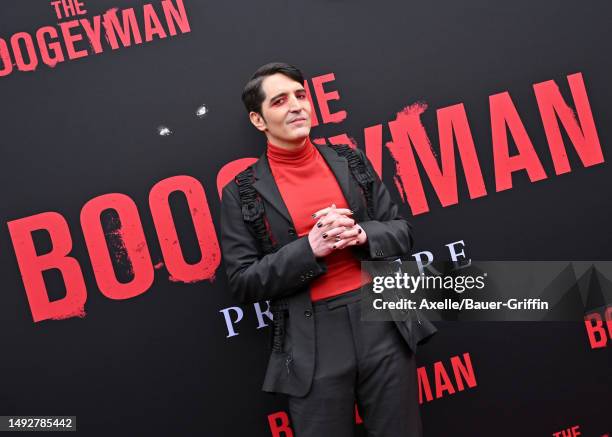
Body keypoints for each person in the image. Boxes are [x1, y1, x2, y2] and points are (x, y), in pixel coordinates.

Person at [220, 62, 436, 437]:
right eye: (280, 100)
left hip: (382, 322)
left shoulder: (351, 161)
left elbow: (402, 231)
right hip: (312, 341)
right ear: (258, 120)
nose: (296, 106)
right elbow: (242, 281)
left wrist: (361, 235)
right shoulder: (241, 191)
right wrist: (310, 248)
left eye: (301, 96)